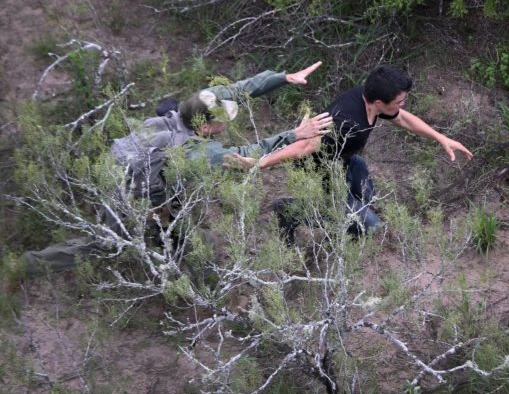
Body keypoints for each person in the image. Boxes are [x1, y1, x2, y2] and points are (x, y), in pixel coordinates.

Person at [22, 63, 332, 276]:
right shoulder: (196, 151)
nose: (229, 122)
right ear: (207, 127)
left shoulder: (189, 109)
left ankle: (175, 253)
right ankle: (29, 265)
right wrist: (293, 136)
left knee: (187, 231)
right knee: (104, 245)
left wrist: (282, 78)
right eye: (224, 120)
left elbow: (236, 89)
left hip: (134, 177)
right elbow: (245, 157)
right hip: (129, 198)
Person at [272, 64, 473, 243]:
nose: (402, 104)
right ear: (379, 102)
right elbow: (304, 147)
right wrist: (260, 163)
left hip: (347, 160)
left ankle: (343, 225)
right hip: (320, 172)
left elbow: (402, 118)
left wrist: (441, 138)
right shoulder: (346, 122)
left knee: (367, 198)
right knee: (369, 227)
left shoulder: (368, 97)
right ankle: (289, 211)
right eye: (399, 101)